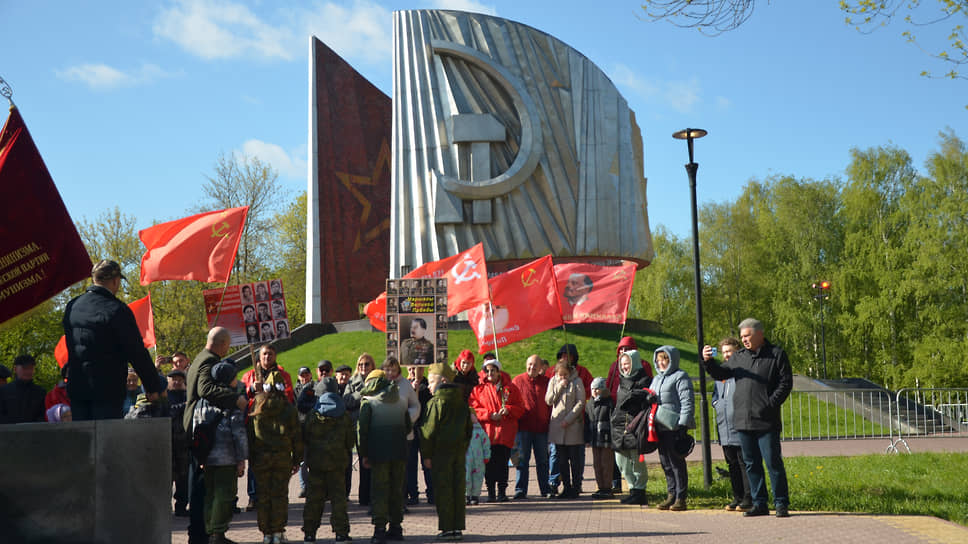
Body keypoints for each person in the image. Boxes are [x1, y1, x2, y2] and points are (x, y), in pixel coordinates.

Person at [702, 318, 793, 518]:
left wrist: (770, 403)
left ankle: (780, 503)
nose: (744, 340)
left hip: (766, 421)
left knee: (773, 463)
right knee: (751, 464)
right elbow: (720, 374)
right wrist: (708, 362)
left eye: (747, 336)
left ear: (759, 333)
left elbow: (786, 383)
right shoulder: (739, 357)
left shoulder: (776, 354)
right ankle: (759, 503)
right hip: (742, 420)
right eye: (742, 336)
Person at [62, 260, 165, 420]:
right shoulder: (117, 309)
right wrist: (152, 387)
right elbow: (136, 352)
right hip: (107, 390)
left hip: (77, 389)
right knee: (106, 441)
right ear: (115, 281)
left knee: (82, 440)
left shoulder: (72, 306)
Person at [184, 327, 249, 544]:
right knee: (206, 489)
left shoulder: (200, 358)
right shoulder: (208, 361)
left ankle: (205, 533)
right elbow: (205, 389)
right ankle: (206, 535)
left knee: (204, 487)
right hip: (205, 431)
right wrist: (234, 398)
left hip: (199, 429)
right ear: (221, 344)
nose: (228, 349)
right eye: (228, 345)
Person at [248, 370, 302, 544]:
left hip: (260, 459)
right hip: (282, 459)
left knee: (263, 496)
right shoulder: (288, 408)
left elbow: (249, 434)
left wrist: (250, 456)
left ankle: (266, 534)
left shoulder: (256, 405)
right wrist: (297, 459)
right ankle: (278, 532)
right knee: (280, 496)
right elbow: (296, 437)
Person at [357, 369, 411, 544]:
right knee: (396, 490)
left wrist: (364, 454)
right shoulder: (401, 400)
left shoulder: (368, 403)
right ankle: (396, 527)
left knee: (379, 491)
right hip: (400, 452)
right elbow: (408, 427)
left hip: (378, 453)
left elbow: (362, 432)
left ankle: (379, 529)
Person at [420, 362, 472, 541]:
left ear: (442, 381)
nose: (428, 385)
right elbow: (468, 430)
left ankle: (447, 528)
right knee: (458, 489)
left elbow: (429, 431)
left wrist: (426, 454)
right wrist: (463, 447)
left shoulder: (435, 403)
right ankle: (458, 527)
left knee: (443, 490)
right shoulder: (461, 401)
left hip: (440, 454)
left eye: (431, 381)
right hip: (458, 452)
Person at [302, 377, 354, 543]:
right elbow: (350, 440)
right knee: (339, 499)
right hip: (338, 464)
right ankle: (341, 533)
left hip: (316, 465)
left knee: (313, 500)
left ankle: (309, 533)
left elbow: (306, 438)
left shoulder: (313, 414)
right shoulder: (344, 415)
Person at [468, 358, 524, 503]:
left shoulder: (510, 388)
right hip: (488, 434)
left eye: (493, 370)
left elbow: (520, 408)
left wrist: (509, 410)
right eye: (487, 371)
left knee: (503, 464)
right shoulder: (478, 390)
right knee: (489, 464)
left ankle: (502, 492)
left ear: (499, 372)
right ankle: (491, 492)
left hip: (505, 434)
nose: (490, 373)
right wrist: (489, 415)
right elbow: (474, 409)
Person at [650, 346, 694, 511]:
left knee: (676, 463)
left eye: (664, 359)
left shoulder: (680, 376)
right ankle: (671, 494)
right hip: (659, 426)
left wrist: (683, 424)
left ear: (672, 359)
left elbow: (687, 401)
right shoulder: (656, 379)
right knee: (665, 463)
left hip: (674, 426)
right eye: (658, 359)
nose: (661, 363)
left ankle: (681, 497)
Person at [712, 337, 753, 512]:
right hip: (724, 426)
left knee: (744, 462)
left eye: (730, 351)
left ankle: (748, 497)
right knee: (731, 464)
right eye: (724, 352)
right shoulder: (720, 374)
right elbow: (716, 395)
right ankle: (737, 496)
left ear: (737, 351)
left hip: (740, 424)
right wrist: (717, 404)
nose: (727, 355)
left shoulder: (742, 371)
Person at [610, 349, 651, 506]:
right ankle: (632, 488)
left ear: (634, 363)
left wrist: (637, 395)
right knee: (621, 461)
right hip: (619, 426)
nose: (625, 367)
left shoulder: (643, 380)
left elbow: (643, 399)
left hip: (635, 426)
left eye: (627, 363)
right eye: (622, 364)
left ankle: (640, 491)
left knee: (636, 461)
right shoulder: (621, 380)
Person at [381, 358, 421, 508]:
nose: (390, 372)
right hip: (384, 433)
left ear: (398, 370)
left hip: (403, 434)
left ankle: (400, 502)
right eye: (387, 369)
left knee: (401, 471)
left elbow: (415, 406)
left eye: (393, 369)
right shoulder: (379, 383)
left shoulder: (405, 385)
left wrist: (405, 418)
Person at [511, 355, 551, 499]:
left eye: (535, 365)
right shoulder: (517, 381)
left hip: (542, 428)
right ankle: (520, 489)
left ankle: (545, 488)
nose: (531, 368)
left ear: (541, 368)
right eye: (529, 364)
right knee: (522, 460)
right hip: (523, 427)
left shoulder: (547, 382)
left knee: (543, 461)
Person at [545, 360, 586, 500]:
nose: (563, 377)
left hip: (572, 427)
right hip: (557, 427)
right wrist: (559, 387)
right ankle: (566, 487)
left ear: (570, 373)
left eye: (565, 375)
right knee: (561, 460)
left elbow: (581, 402)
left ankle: (575, 487)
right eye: (560, 375)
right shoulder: (553, 382)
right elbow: (549, 400)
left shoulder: (577, 382)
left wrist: (569, 419)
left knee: (574, 460)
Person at [407, 365, 434, 505]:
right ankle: (413, 494)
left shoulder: (428, 385)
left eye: (417, 369)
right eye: (411, 369)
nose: (414, 372)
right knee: (410, 464)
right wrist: (411, 389)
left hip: (425, 429)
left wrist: (419, 389)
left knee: (427, 462)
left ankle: (432, 493)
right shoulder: (405, 385)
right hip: (411, 428)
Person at [585, 377, 614, 499]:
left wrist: (614, 438)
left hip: (607, 439)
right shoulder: (589, 404)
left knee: (606, 463)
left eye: (598, 388)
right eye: (593, 389)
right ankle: (600, 487)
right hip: (594, 439)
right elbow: (586, 422)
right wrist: (586, 438)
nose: (595, 391)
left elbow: (613, 421)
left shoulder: (609, 402)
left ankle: (607, 487)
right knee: (597, 464)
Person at [168, 369, 191, 517]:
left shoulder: (187, 395)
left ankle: (181, 506)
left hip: (184, 443)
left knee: (183, 478)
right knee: (167, 477)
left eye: (179, 379)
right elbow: (168, 411)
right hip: (168, 442)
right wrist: (184, 405)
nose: (176, 382)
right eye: (173, 379)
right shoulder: (165, 396)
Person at [0, 355, 47, 423]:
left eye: (31, 368)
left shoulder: (40, 392)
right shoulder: (3, 391)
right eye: (25, 368)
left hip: (34, 431)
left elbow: (43, 416)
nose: (28, 371)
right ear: (15, 369)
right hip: (8, 431)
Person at [465, 418, 490, 506]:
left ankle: (475, 496)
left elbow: (486, 444)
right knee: (466, 477)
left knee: (478, 478)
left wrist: (487, 455)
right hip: (466, 460)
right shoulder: (462, 431)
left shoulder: (480, 432)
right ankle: (466, 495)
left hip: (479, 460)